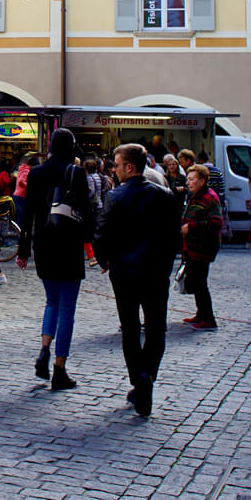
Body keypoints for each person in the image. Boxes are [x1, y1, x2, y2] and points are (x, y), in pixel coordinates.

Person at [93, 143, 181, 416]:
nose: (115, 170)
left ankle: (140, 379)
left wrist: (106, 260)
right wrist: (165, 266)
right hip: (155, 272)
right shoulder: (164, 195)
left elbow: (101, 233)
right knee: (155, 329)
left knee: (130, 329)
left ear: (129, 166)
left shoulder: (116, 197)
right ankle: (147, 376)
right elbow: (173, 237)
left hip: (126, 273)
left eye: (117, 166)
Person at [17, 128, 95, 390]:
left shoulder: (37, 172)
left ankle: (44, 349)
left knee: (51, 302)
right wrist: (92, 245)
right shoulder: (76, 172)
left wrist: (23, 248)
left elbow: (27, 213)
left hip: (44, 243)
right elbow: (86, 209)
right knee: (67, 309)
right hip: (69, 243)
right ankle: (59, 367)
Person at [180, 164, 223, 330]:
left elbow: (215, 223)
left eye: (192, 179)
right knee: (196, 281)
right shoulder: (195, 196)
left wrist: (191, 227)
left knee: (200, 282)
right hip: (192, 246)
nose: (189, 183)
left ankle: (209, 318)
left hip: (203, 247)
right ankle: (201, 313)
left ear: (203, 180)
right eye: (188, 179)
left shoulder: (209, 197)